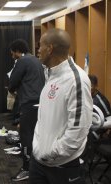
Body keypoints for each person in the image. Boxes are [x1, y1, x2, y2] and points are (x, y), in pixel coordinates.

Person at [30, 28, 93, 184]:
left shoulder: (76, 80)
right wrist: (37, 148)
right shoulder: (50, 74)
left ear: (50, 49)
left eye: (40, 46)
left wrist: (50, 154)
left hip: (62, 166)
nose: (38, 50)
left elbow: (78, 130)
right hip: (39, 161)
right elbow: (44, 118)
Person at [8, 39, 45, 182]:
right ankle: (35, 167)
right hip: (39, 103)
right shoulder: (36, 60)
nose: (13, 57)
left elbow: (12, 83)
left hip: (28, 104)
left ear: (17, 51)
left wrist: (12, 89)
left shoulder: (22, 61)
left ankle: (26, 169)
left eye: (13, 54)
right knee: (35, 136)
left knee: (26, 136)